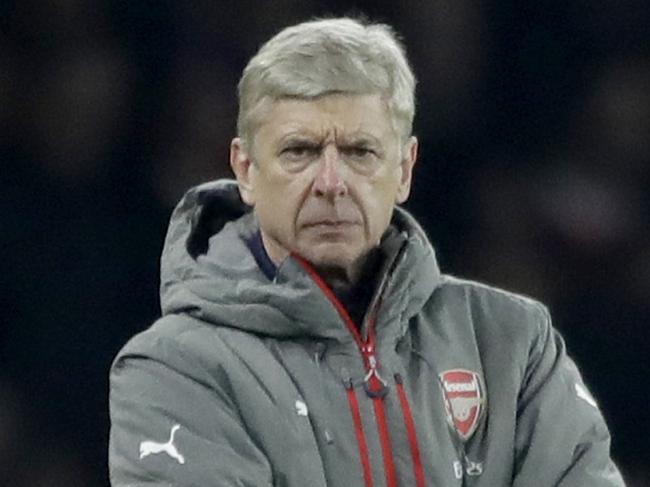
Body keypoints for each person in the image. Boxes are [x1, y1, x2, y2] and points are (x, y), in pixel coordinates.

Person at [108, 17, 625, 486]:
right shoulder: (175, 369)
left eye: (360, 152)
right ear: (245, 170)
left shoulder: (512, 344)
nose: (331, 182)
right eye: (299, 151)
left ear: (404, 169)